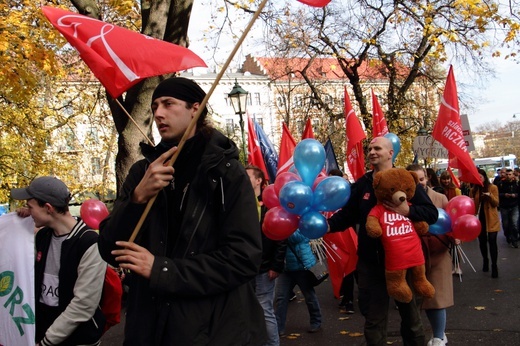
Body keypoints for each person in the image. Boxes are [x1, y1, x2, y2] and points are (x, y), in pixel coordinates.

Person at [97, 77, 266, 345]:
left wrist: (161, 270)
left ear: (195, 109)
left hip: (213, 330)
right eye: (154, 107)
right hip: (149, 329)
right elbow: (109, 248)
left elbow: (243, 259)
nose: (158, 114)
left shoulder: (226, 173)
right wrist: (137, 199)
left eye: (168, 104)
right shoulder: (143, 172)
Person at [328, 137, 438, 346]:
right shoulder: (363, 184)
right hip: (372, 265)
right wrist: (328, 226)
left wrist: (409, 210)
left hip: (405, 264)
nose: (372, 152)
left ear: (391, 153)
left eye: (377, 148)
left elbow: (431, 214)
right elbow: (348, 214)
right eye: (369, 148)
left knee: (412, 320)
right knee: (374, 321)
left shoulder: (406, 179)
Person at [11, 176, 106, 346]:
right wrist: (21, 221)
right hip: (43, 332)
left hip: (78, 339)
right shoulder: (43, 235)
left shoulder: (89, 243)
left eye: (30, 206)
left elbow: (83, 305)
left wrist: (48, 341)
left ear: (48, 208)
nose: (28, 210)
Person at [406, 164, 454, 346]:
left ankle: (439, 335)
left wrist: (455, 237)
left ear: (426, 178)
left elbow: (453, 224)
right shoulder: (404, 201)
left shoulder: (441, 198)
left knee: (437, 298)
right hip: (415, 255)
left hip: (438, 254)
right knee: (420, 299)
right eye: (414, 180)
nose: (419, 183)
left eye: (421, 179)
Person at [246, 165, 287, 346]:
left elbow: (281, 236)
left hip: (264, 268)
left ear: (258, 180)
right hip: (244, 268)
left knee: (264, 309)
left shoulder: (270, 203)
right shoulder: (241, 204)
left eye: (246, 176)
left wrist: (276, 265)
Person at [275, 230, 322, 336]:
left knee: (309, 296)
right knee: (281, 298)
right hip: (286, 268)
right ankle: (278, 327)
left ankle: (316, 322)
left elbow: (299, 237)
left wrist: (282, 232)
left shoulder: (302, 220)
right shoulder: (283, 219)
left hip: (302, 266)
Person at [470, 168, 501, 278]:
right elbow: (471, 204)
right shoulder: (474, 190)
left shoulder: (493, 187)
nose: (479, 179)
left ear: (484, 177)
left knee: (492, 241)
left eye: (481, 177)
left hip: (491, 219)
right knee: (482, 241)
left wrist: (489, 196)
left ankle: (494, 265)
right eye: (477, 177)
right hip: (480, 218)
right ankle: (485, 260)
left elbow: (496, 203)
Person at [496, 169, 519, 248]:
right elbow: (497, 194)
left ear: (513, 175)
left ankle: (515, 239)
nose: (508, 176)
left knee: (514, 223)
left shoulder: (516, 183)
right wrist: (504, 195)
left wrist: (515, 195)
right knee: (506, 224)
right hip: (504, 206)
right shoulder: (501, 184)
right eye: (507, 174)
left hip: (514, 206)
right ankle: (508, 236)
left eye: (510, 174)